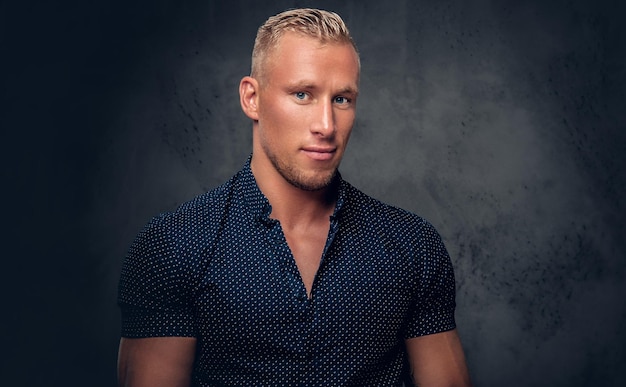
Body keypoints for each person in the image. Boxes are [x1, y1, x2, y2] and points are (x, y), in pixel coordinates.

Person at [117, 8, 472, 387]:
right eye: (302, 94)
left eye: (342, 99)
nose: (326, 125)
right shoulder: (174, 244)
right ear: (251, 98)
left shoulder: (411, 245)